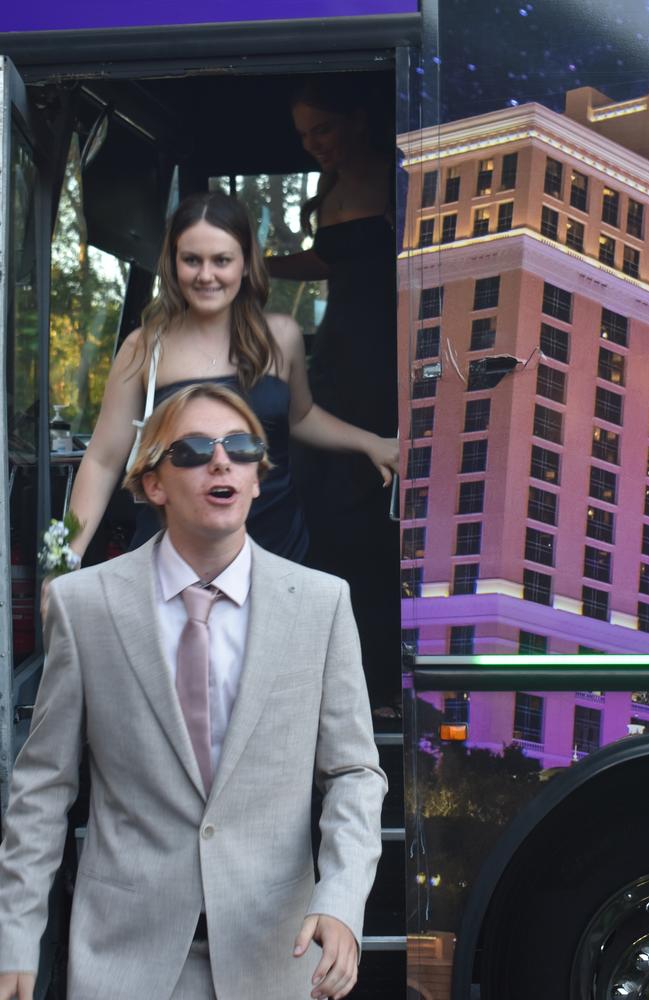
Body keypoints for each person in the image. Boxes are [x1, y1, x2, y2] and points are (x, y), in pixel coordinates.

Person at [0, 382, 387, 1000]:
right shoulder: (85, 606)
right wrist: (15, 939)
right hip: (124, 962)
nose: (220, 460)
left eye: (239, 448)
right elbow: (43, 787)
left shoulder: (321, 603)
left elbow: (355, 772)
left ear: (257, 480)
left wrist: (341, 898)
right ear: (154, 483)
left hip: (276, 960)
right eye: (193, 450)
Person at [65, 189, 397, 568]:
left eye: (221, 260)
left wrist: (371, 443)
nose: (206, 275)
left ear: (245, 263)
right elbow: (103, 461)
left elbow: (300, 417)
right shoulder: (144, 348)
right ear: (173, 264)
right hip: (171, 565)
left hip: (275, 553)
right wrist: (64, 559)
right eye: (191, 260)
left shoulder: (281, 336)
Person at [267, 76, 400, 711]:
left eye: (321, 128)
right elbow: (332, 260)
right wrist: (256, 265)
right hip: (338, 351)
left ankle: (380, 678)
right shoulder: (331, 185)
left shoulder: (399, 177)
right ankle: (332, 676)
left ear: (356, 119)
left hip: (385, 353)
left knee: (369, 507)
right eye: (303, 134)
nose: (313, 143)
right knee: (323, 495)